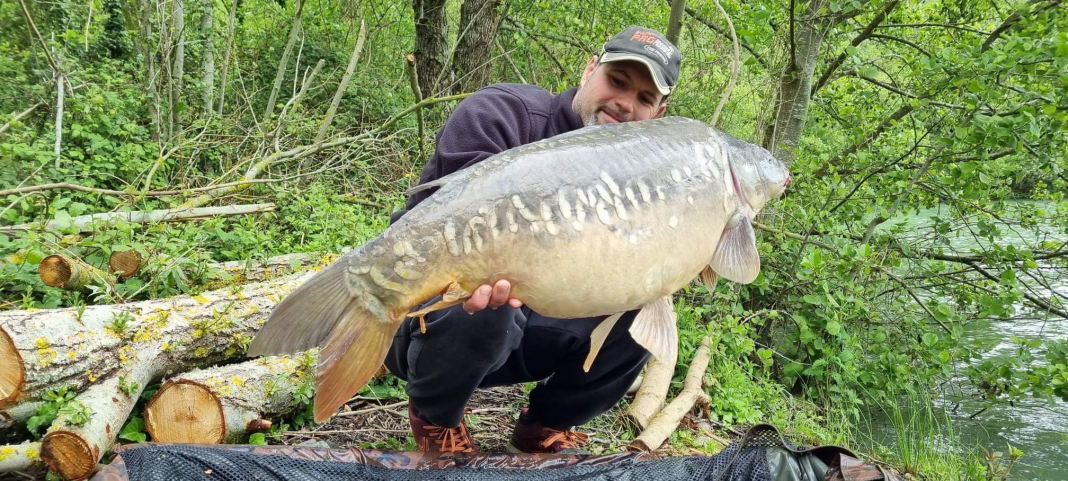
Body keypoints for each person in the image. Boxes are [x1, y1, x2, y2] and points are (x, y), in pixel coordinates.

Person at [385, 26, 683, 454]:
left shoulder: (646, 182)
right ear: (589, 70)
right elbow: (443, 231)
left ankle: (544, 426)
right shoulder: (502, 112)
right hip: (424, 314)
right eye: (617, 81)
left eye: (644, 98)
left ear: (657, 113)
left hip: (536, 324)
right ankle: (436, 419)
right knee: (488, 293)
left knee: (647, 309)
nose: (624, 103)